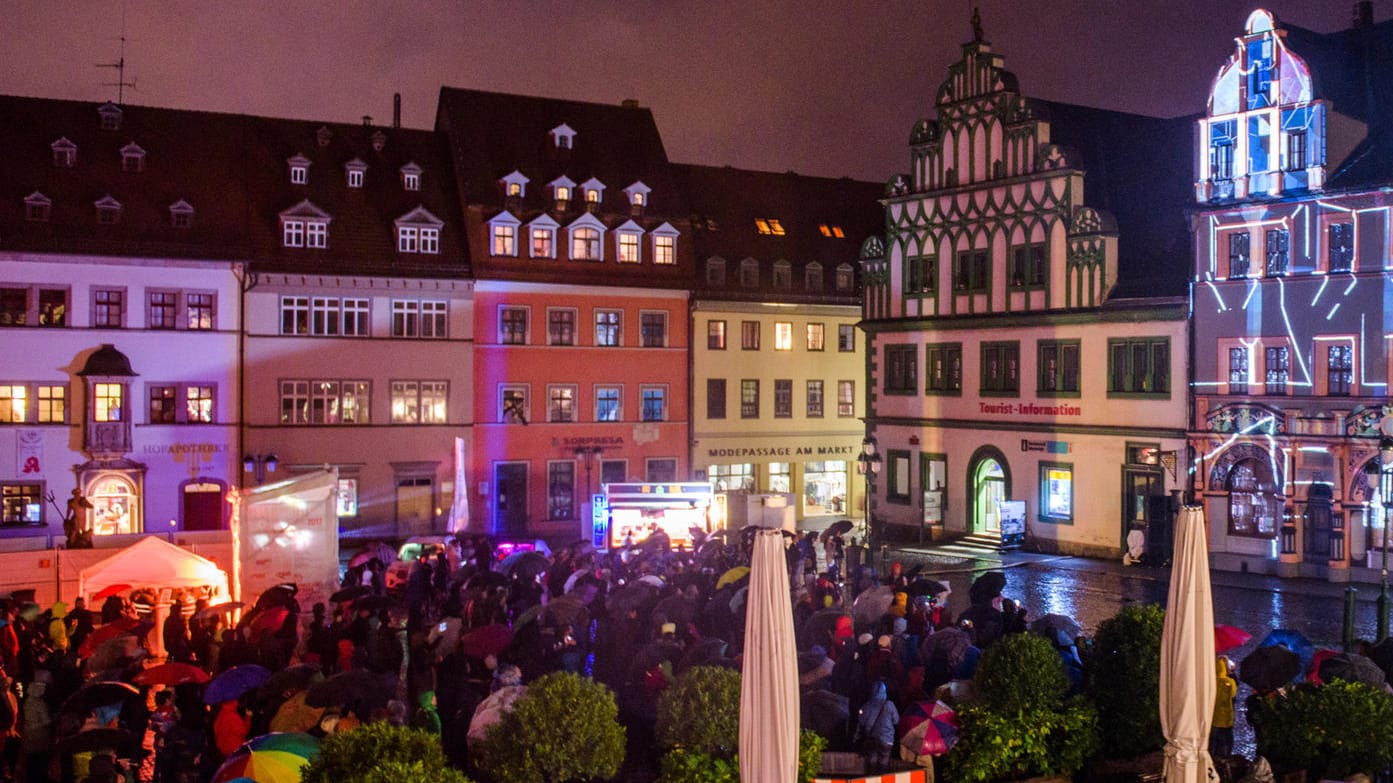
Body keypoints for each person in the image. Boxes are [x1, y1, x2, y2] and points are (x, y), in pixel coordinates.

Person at [856, 679, 899, 772]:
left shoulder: (866, 705)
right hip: (887, 739)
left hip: (872, 738)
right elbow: (896, 720)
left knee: (872, 761)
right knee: (884, 762)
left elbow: (861, 721)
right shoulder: (889, 704)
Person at [1211, 655, 1237, 758]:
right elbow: (1233, 694)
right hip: (1227, 716)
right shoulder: (1230, 681)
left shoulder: (1211, 681)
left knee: (1213, 738)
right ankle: (1226, 755)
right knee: (1227, 738)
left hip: (1214, 716)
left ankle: (1212, 756)